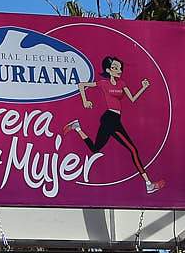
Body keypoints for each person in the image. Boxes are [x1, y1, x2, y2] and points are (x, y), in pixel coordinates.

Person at [69, 56, 163, 195]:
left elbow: (132, 99)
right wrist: (85, 101)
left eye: (120, 68)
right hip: (109, 119)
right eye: (115, 68)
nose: (119, 70)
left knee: (95, 149)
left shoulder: (122, 83)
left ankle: (77, 127)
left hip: (115, 119)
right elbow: (81, 85)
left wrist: (143, 87)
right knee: (132, 149)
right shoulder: (104, 83)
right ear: (108, 70)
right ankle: (148, 184)